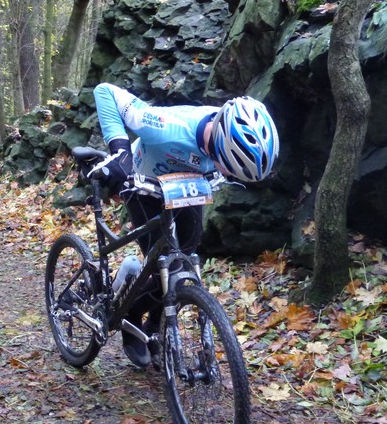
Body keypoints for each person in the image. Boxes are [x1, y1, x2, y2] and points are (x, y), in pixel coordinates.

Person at [90, 82, 279, 368]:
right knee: (164, 264)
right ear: (217, 143)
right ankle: (131, 315)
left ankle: (154, 327)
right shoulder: (165, 127)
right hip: (144, 185)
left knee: (186, 264)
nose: (225, 173)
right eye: (226, 166)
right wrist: (119, 150)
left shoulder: (237, 129)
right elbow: (105, 91)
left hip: (186, 186)